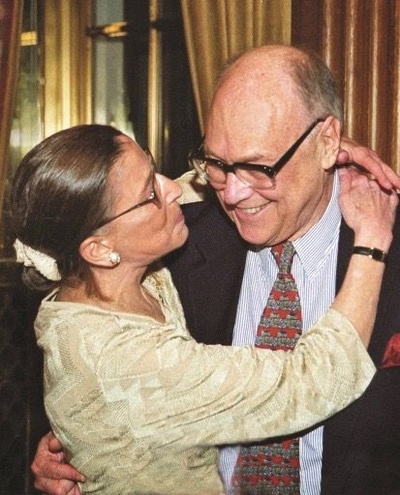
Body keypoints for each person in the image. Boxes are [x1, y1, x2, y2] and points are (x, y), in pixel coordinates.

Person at [31, 45, 400, 495]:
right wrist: (85, 447)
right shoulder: (168, 250)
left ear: (325, 141)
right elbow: (113, 392)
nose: (233, 193)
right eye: (217, 164)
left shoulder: (160, 243)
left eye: (259, 167)